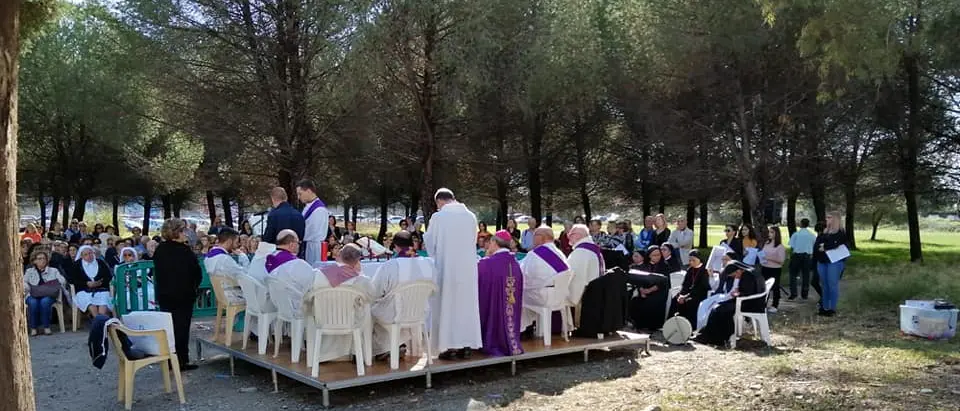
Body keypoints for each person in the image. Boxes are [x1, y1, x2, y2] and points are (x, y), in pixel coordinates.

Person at [423, 188, 482, 360]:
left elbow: (431, 244)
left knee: (447, 306)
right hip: (467, 270)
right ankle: (466, 345)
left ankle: (448, 346)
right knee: (466, 307)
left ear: (439, 202)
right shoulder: (470, 216)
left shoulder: (438, 217)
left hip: (447, 268)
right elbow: (473, 241)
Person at [369, 232, 436, 359]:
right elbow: (433, 290)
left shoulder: (391, 265)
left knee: (372, 310)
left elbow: (375, 291)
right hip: (419, 312)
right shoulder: (428, 263)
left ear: (395, 246)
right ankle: (399, 344)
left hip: (395, 314)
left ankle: (385, 348)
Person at [152, 218, 203, 370]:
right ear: (176, 232)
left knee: (168, 328)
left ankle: (169, 359)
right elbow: (195, 272)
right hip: (183, 295)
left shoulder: (160, 249)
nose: (185, 234)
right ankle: (181, 360)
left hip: (165, 294)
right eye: (182, 230)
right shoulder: (184, 250)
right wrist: (193, 287)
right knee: (181, 328)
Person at [311, 243, 375, 363]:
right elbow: (372, 297)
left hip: (321, 320)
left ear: (339, 255)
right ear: (357, 261)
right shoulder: (360, 279)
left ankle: (325, 353)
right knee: (366, 310)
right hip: (349, 322)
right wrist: (360, 273)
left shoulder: (318, 273)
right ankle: (358, 351)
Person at [694, 261, 765, 346]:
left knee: (718, 310)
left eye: (734, 275)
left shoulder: (748, 276)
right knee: (717, 308)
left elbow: (747, 293)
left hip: (750, 304)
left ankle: (714, 338)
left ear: (738, 271)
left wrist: (737, 294)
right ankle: (708, 336)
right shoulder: (747, 272)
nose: (735, 277)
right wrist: (738, 292)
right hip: (746, 301)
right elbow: (747, 290)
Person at [477, 230, 524, 357]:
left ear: (494, 242)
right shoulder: (514, 262)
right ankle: (512, 345)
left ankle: (493, 341)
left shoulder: (487, 263)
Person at [519, 227, 569, 331]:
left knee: (517, 295)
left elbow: (522, 273)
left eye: (534, 236)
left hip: (543, 297)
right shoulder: (560, 253)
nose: (533, 238)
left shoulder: (535, 254)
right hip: (559, 296)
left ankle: (522, 330)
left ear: (541, 237)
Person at [566, 224, 605, 327]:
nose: (568, 236)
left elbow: (573, 277)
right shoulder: (593, 250)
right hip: (596, 292)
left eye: (571, 234)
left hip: (586, 295)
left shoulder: (581, 252)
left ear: (578, 235)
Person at [625, 245, 670, 330]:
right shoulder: (645, 265)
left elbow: (663, 282)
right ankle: (637, 324)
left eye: (658, 255)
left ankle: (652, 326)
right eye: (654, 255)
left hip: (659, 291)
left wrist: (649, 290)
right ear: (649, 256)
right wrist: (641, 290)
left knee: (651, 302)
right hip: (644, 290)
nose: (657, 257)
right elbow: (639, 280)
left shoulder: (664, 265)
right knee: (635, 301)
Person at [24, 251, 67, 336]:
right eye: (39, 259)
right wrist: (27, 287)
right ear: (34, 261)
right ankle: (33, 328)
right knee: (33, 303)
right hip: (33, 294)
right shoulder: (29, 271)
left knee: (45, 302)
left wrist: (56, 282)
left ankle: (46, 327)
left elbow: (63, 280)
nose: (42, 261)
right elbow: (24, 281)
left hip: (48, 294)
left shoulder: (53, 270)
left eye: (44, 259)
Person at [814, 212, 848, 317]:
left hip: (834, 261)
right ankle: (824, 307)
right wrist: (824, 246)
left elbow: (834, 243)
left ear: (835, 219)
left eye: (829, 217)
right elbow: (817, 245)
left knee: (832, 284)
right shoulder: (824, 232)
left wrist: (825, 246)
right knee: (824, 285)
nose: (827, 219)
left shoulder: (841, 232)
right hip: (822, 261)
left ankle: (832, 308)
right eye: (826, 217)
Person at [204, 228, 248, 306]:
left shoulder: (208, 256)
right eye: (236, 242)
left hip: (221, 295)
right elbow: (244, 275)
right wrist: (243, 256)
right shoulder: (224, 259)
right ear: (230, 241)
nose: (238, 245)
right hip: (232, 296)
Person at [265, 230, 317, 294]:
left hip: (274, 301)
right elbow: (314, 281)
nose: (298, 246)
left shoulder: (265, 259)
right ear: (291, 245)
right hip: (295, 301)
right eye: (298, 243)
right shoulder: (296, 263)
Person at [668, 250, 711, 328]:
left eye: (693, 260)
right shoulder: (690, 270)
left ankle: (689, 326)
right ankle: (673, 324)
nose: (691, 262)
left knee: (689, 302)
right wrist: (681, 294)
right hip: (688, 293)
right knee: (675, 299)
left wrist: (686, 296)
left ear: (700, 259)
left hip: (699, 294)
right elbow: (685, 284)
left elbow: (702, 287)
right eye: (690, 260)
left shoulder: (705, 270)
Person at [69, 245, 113, 317]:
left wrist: (100, 283)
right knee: (88, 300)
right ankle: (98, 320)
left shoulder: (100, 262)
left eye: (90, 253)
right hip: (84, 290)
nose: (89, 256)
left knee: (104, 299)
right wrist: (86, 283)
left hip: (101, 289)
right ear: (82, 256)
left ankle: (100, 319)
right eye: (85, 254)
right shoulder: (77, 264)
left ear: (93, 253)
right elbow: (72, 280)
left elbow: (108, 277)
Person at [296, 180, 330, 266]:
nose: (298, 197)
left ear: (308, 191)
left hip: (314, 247)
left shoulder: (319, 209)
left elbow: (314, 231)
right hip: (308, 245)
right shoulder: (308, 206)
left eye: (300, 194)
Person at [788, 218, 816, 300]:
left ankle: (793, 293)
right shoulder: (812, 235)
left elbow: (792, 246)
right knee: (806, 275)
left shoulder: (796, 234)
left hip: (797, 255)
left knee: (793, 274)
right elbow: (814, 246)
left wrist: (791, 256)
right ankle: (805, 294)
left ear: (801, 224)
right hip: (807, 256)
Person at [760, 226, 786, 313]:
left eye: (772, 232)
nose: (769, 234)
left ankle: (775, 305)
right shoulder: (766, 243)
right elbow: (763, 253)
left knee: (775, 287)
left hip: (775, 269)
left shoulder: (780, 246)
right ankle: (764, 304)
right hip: (765, 267)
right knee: (764, 286)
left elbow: (781, 261)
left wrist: (769, 258)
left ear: (776, 234)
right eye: (769, 232)